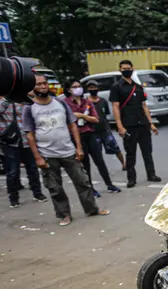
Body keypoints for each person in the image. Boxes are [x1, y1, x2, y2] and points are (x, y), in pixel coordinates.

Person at [22, 74, 110, 226]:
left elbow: (72, 125)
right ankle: (64, 215)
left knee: (83, 182)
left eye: (45, 83)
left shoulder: (60, 103)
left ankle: (92, 209)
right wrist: (37, 157)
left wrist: (78, 147)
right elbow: (30, 135)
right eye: (39, 84)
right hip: (47, 154)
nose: (43, 86)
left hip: (68, 150)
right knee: (55, 187)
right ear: (33, 88)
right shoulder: (30, 108)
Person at [109, 60, 161, 188]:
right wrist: (120, 126)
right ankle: (131, 179)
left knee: (147, 152)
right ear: (120, 70)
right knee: (130, 153)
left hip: (142, 124)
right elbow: (115, 107)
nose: (127, 70)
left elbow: (144, 106)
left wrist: (151, 123)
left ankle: (151, 174)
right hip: (128, 125)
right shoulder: (116, 87)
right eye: (124, 68)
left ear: (133, 69)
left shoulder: (138, 86)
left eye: (129, 68)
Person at [65, 79, 121, 196]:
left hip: (91, 133)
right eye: (74, 87)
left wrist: (82, 116)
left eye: (79, 86)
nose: (77, 89)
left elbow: (95, 119)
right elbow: (68, 120)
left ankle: (109, 184)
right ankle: (90, 188)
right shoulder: (66, 103)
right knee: (85, 164)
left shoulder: (87, 102)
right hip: (77, 136)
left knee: (99, 160)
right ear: (69, 89)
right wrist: (83, 117)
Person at [0, 95, 48, 207]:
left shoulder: (22, 100)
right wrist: (8, 99)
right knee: (12, 172)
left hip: (27, 141)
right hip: (10, 142)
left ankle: (37, 193)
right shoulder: (4, 102)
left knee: (32, 169)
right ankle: (13, 198)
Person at [86, 80, 125, 170]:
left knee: (115, 147)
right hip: (93, 131)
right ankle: (102, 169)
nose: (93, 89)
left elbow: (106, 114)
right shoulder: (86, 102)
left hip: (105, 129)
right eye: (91, 87)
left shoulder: (103, 101)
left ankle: (123, 164)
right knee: (97, 152)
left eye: (94, 87)